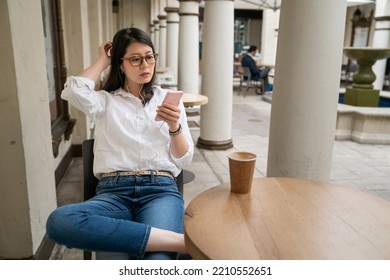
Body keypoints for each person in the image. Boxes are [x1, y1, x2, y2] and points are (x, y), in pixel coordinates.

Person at [46, 27, 194, 260]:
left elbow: (183, 158)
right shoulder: (105, 101)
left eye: (149, 56)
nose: (145, 65)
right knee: (59, 222)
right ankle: (183, 242)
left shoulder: (169, 100)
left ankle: (158, 242)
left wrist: (175, 128)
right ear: (121, 65)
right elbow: (74, 91)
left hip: (160, 191)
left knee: (158, 263)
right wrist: (103, 60)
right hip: (113, 193)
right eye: (135, 59)